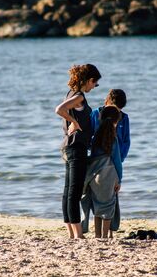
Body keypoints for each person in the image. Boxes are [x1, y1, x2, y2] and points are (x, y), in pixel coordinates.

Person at [55, 64, 101, 239]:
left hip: (69, 147)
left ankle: (71, 233)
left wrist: (72, 120)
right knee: (74, 192)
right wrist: (73, 121)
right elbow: (59, 109)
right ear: (89, 80)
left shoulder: (71, 94)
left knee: (68, 191)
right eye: (95, 84)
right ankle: (78, 235)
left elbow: (63, 108)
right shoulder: (79, 96)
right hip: (76, 148)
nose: (93, 88)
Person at [90, 89, 130, 237]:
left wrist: (118, 160)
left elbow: (126, 142)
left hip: (114, 162)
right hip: (99, 164)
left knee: (112, 198)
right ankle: (103, 234)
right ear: (107, 103)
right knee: (103, 200)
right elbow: (91, 139)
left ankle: (110, 232)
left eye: (119, 111)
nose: (117, 115)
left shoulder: (124, 119)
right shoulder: (95, 114)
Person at [81, 106, 122, 238]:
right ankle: (105, 236)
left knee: (97, 206)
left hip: (93, 175)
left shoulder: (95, 138)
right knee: (108, 207)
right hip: (108, 174)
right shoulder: (113, 139)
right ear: (116, 122)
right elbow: (117, 161)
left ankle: (97, 235)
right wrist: (119, 179)